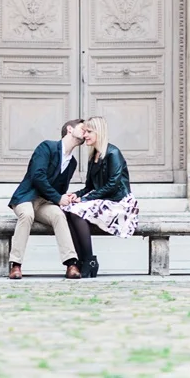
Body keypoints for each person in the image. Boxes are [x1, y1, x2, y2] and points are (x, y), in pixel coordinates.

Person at [7, 119, 87, 280]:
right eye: (83, 128)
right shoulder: (47, 147)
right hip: (26, 198)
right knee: (27, 215)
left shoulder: (72, 163)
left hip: (45, 203)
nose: (86, 132)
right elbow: (38, 176)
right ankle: (15, 265)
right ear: (69, 129)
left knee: (58, 215)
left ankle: (71, 263)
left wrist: (66, 197)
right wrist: (58, 197)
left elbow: (60, 190)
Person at [63, 116, 140, 278]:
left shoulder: (113, 153)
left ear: (99, 132)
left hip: (119, 202)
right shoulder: (94, 156)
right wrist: (75, 195)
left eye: (89, 132)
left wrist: (84, 200)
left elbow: (113, 185)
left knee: (77, 211)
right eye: (84, 132)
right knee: (67, 209)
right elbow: (90, 187)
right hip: (103, 199)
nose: (85, 136)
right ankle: (81, 260)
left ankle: (89, 260)